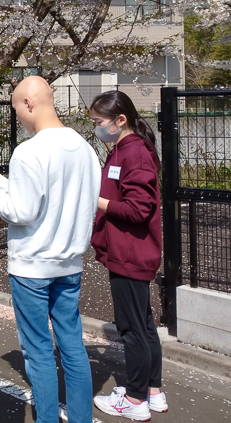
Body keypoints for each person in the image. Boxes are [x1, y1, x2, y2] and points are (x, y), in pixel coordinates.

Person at [0, 76, 101, 423]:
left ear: (28, 103)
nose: (17, 115)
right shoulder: (86, 149)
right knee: (72, 346)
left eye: (16, 108)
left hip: (32, 265)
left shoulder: (29, 151)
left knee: (39, 351)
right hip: (70, 262)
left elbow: (20, 211)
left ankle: (47, 418)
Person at [90, 91, 167, 421]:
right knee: (143, 324)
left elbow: (138, 209)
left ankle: (135, 399)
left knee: (132, 328)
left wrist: (95, 200)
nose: (97, 127)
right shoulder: (124, 149)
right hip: (129, 251)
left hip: (130, 253)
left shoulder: (134, 152)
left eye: (99, 122)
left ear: (120, 120)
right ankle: (153, 390)